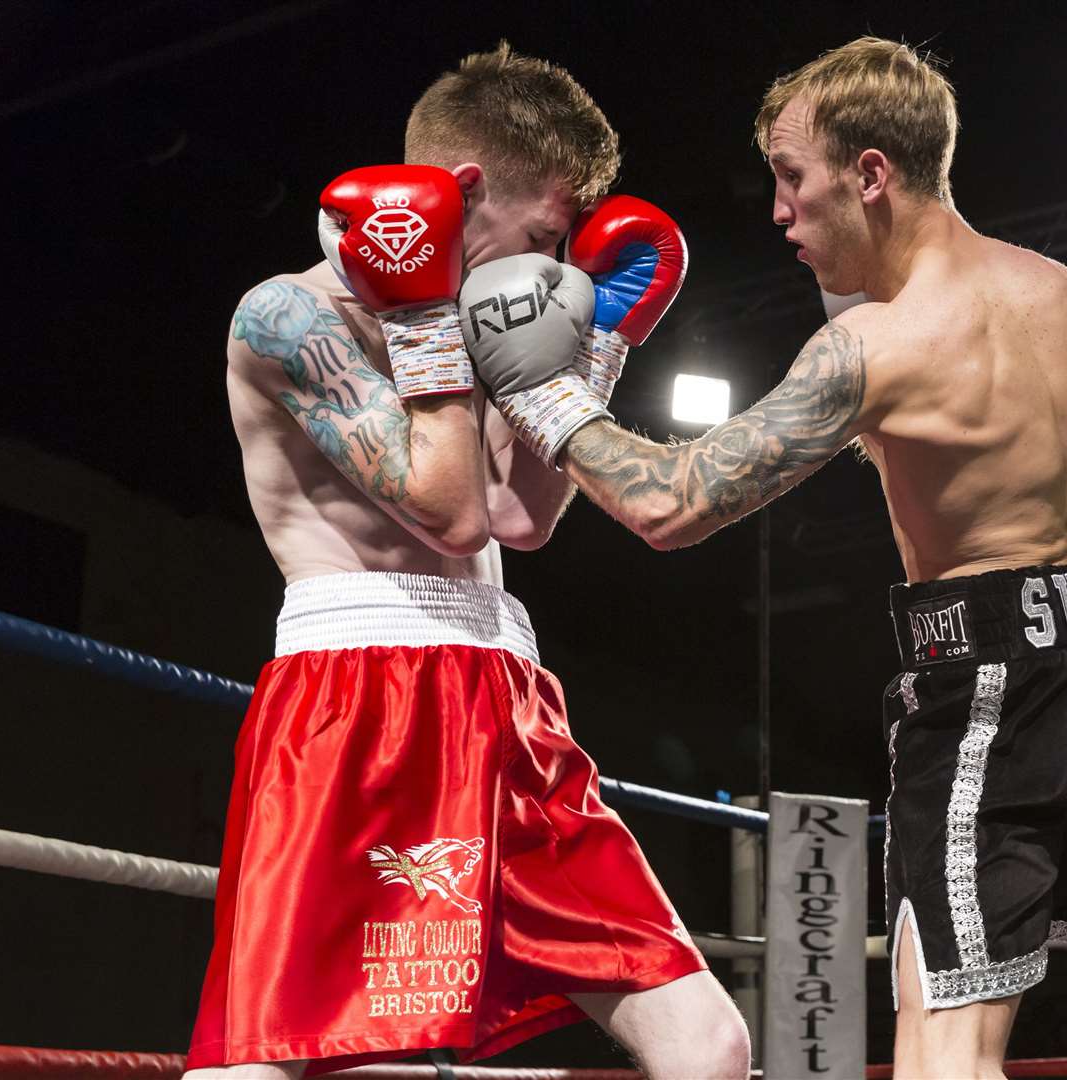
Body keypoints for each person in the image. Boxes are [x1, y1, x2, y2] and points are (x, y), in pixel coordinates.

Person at [473, 36, 1067, 1080]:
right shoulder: (1058, 291)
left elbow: (670, 506)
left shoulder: (877, 350)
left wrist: (546, 391)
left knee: (943, 1037)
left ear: (870, 174)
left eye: (790, 176)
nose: (776, 211)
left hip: (994, 684)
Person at [183, 43, 749, 1080]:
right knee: (276, 1059)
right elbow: (447, 512)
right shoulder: (288, 315)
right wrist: (423, 313)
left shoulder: (489, 315)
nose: (552, 264)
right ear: (464, 195)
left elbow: (518, 520)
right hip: (358, 699)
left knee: (708, 1042)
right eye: (543, 234)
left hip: (507, 700)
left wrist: (598, 341)